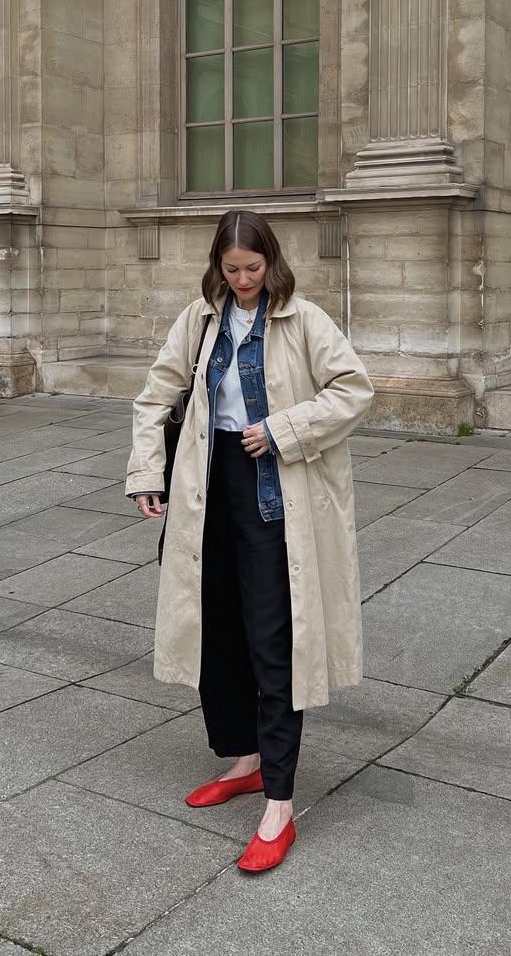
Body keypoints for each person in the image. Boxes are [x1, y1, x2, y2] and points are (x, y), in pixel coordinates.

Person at [126, 208, 374, 873]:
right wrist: (147, 473)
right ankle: (247, 760)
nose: (242, 280)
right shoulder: (200, 318)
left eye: (253, 269)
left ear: (272, 262)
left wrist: (287, 428)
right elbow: (155, 396)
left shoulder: (304, 319)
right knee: (221, 628)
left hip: (277, 493)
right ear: (218, 265)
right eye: (232, 269)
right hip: (210, 486)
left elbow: (355, 389)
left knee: (276, 638)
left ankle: (280, 803)